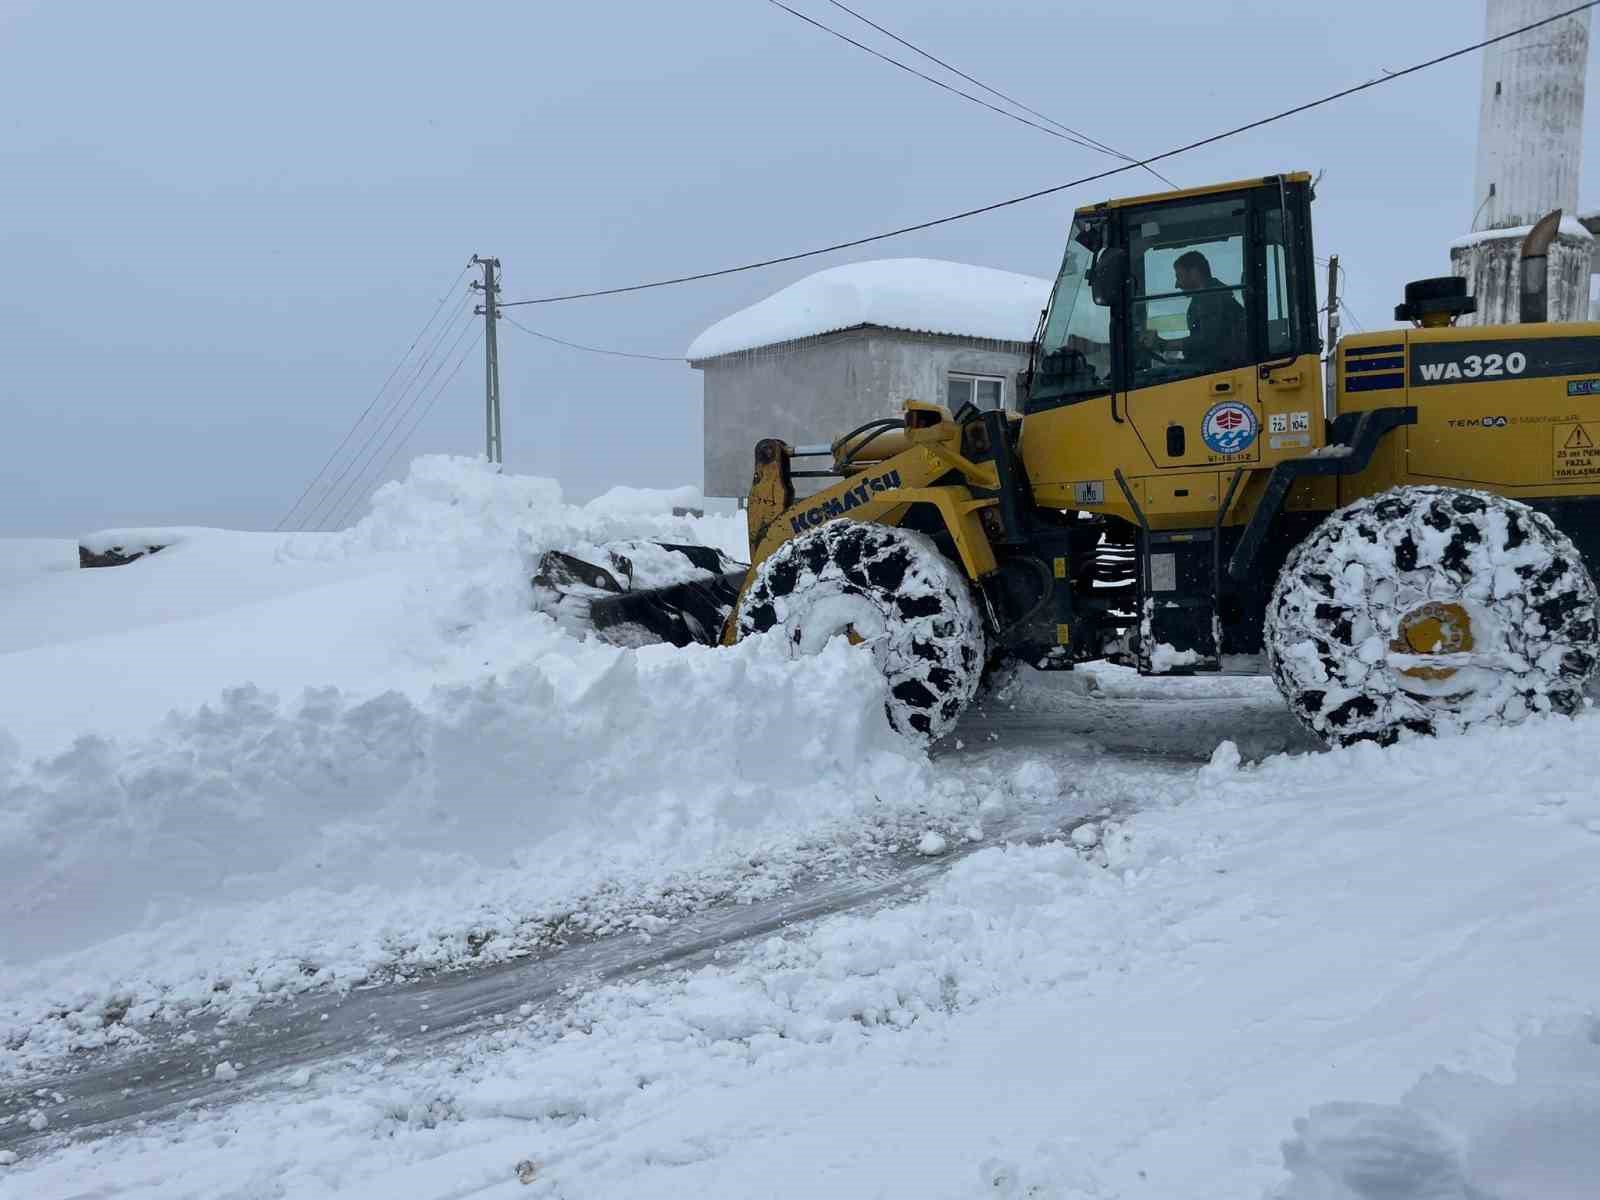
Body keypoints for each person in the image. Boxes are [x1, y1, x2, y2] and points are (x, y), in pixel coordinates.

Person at [1140, 250, 1246, 372]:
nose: (1177, 285)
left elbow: (1206, 340)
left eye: (1179, 277)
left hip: (1222, 369)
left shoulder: (1211, 297)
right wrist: (1182, 362)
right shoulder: (1207, 296)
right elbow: (1207, 347)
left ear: (1194, 273)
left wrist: (1163, 344)